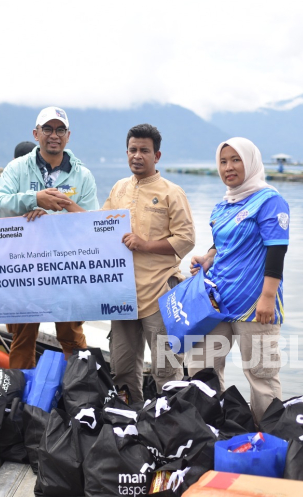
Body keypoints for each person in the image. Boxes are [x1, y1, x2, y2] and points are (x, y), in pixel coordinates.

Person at [187, 137, 289, 422]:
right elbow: (222, 245)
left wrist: (267, 297)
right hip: (216, 303)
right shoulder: (223, 205)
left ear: (251, 162)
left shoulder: (270, 201)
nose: (228, 167)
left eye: (236, 160)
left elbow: (277, 250)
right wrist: (207, 258)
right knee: (201, 366)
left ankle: (270, 440)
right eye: (223, 161)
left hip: (255, 307)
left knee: (261, 376)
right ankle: (211, 431)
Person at [0, 106, 99, 368]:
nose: (54, 135)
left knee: (71, 335)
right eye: (47, 129)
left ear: (68, 136)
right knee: (23, 336)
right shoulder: (17, 168)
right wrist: (34, 199)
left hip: (67, 266)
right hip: (26, 266)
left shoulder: (83, 175)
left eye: (60, 129)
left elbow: (91, 223)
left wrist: (58, 210)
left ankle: (80, 391)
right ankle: (20, 397)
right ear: (36, 133)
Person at [102, 124, 195, 403]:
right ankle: (131, 425)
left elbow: (186, 239)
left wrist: (145, 245)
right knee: (123, 370)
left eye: (144, 150)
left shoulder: (171, 192)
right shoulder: (119, 188)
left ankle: (173, 427)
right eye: (132, 150)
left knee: (167, 370)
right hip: (122, 296)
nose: (137, 156)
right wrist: (68, 209)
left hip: (160, 295)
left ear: (157, 155)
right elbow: (98, 228)